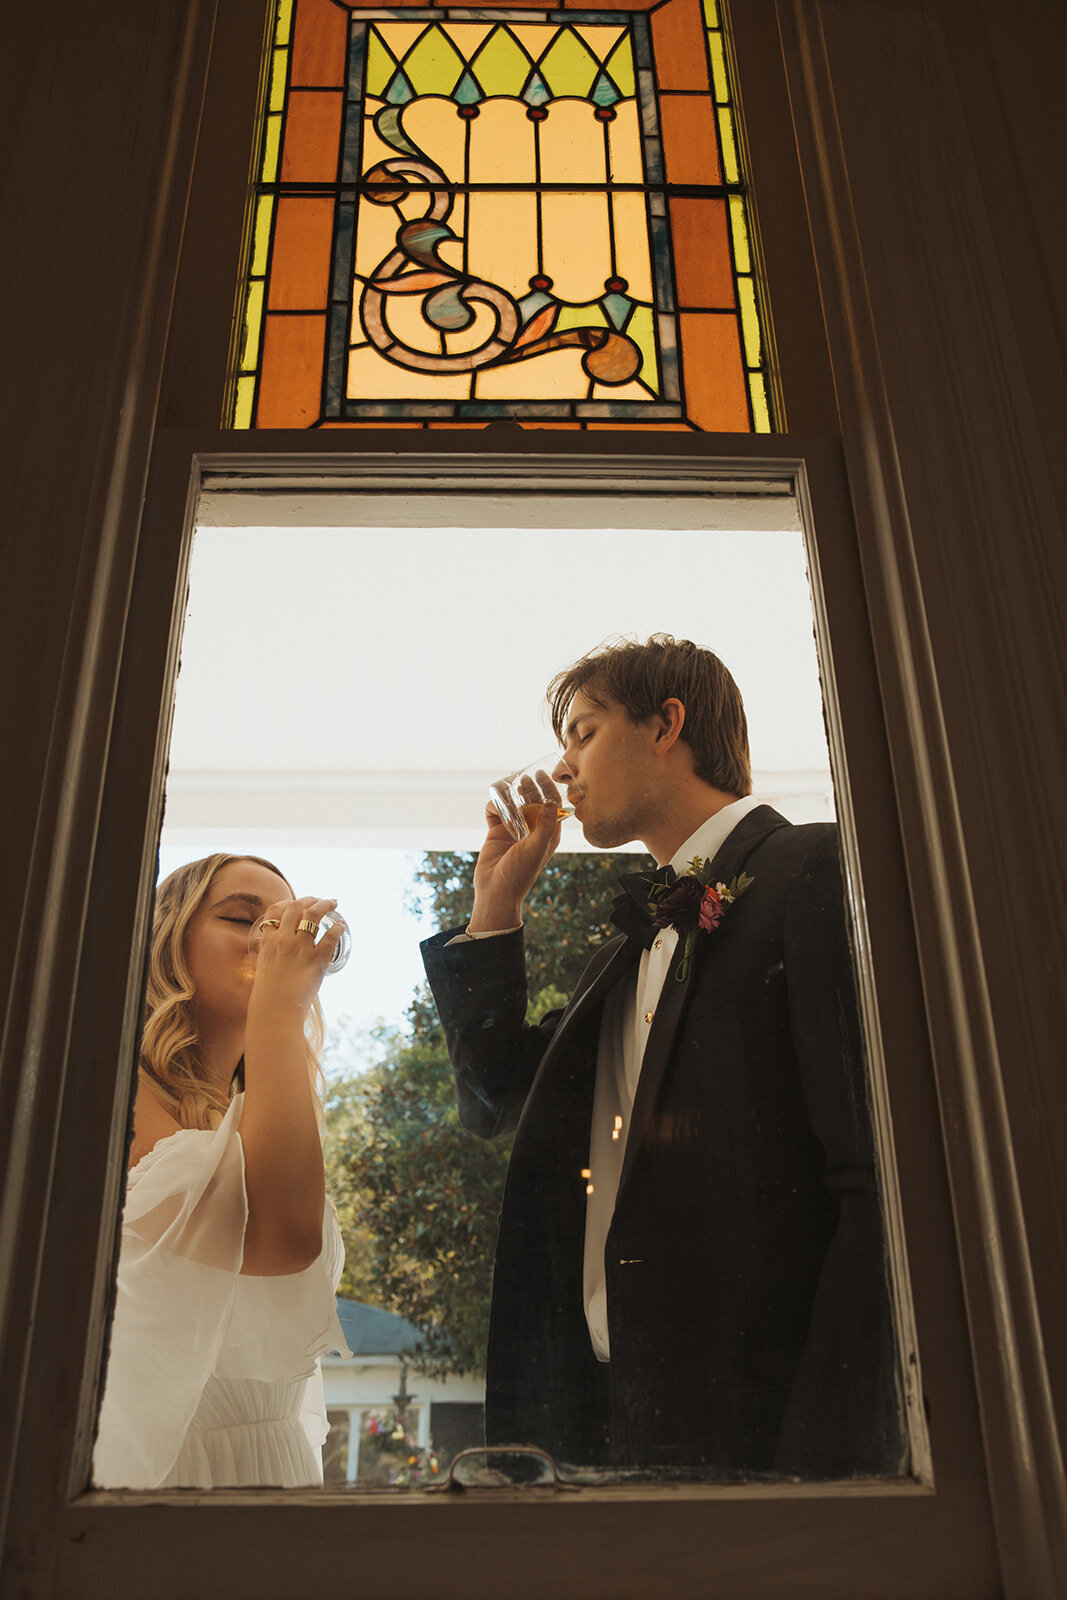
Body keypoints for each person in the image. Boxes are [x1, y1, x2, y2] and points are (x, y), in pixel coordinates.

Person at [421, 636, 902, 1479]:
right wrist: (495, 909)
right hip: (601, 1430)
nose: (563, 769)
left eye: (582, 731)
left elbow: (873, 1182)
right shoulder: (621, 945)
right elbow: (497, 1101)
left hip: (769, 1438)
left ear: (664, 724)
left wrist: (833, 1455)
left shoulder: (812, 870)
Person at [93, 854, 351, 1489]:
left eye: (284, 923)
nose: (274, 937)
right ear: (166, 946)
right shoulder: (116, 1087)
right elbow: (279, 1237)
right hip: (175, 1474)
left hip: (274, 1463)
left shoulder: (255, 1111)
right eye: (243, 918)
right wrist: (280, 1007)